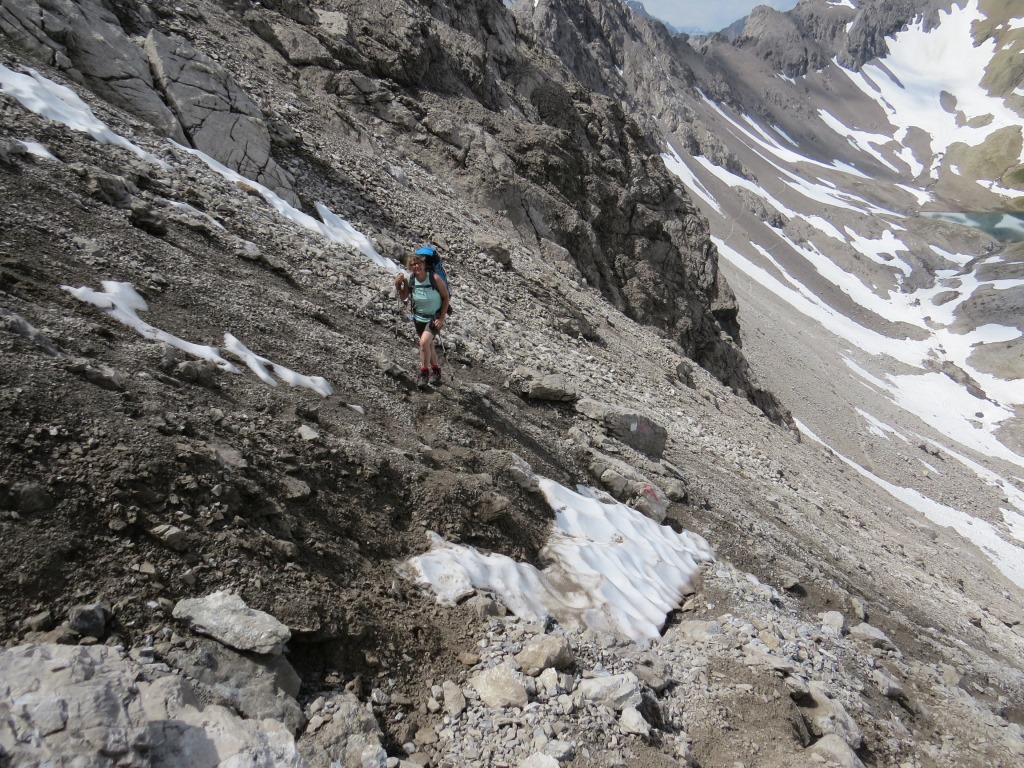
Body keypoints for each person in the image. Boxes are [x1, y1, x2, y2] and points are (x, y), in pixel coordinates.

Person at [395, 250, 450, 387]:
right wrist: (398, 285)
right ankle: (436, 371)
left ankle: (424, 374)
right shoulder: (411, 279)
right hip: (418, 317)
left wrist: (442, 318)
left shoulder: (435, 278)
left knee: (424, 343)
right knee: (428, 345)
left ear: (423, 264)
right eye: (412, 265)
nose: (416, 267)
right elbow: (403, 297)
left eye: (418, 263)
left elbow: (446, 297)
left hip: (434, 317)